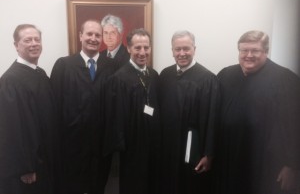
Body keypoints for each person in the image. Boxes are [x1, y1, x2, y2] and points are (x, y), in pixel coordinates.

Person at [215, 30, 300, 194]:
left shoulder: (287, 80)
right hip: (230, 159)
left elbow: (295, 127)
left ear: (266, 52)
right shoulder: (225, 75)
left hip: (267, 165)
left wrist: (292, 166)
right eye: (244, 50)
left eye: (255, 50)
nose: (248, 55)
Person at [50, 19, 115, 194]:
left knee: (98, 186)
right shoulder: (64, 65)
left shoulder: (112, 68)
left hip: (101, 146)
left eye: (97, 35)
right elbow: (54, 107)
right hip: (71, 145)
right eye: (89, 34)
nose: (93, 38)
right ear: (80, 36)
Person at [0, 24, 60, 194]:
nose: (34, 43)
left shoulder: (39, 73)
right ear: (16, 45)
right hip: (29, 168)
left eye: (37, 39)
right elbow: (12, 129)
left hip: (45, 159)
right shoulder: (11, 81)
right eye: (27, 40)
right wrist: (25, 167)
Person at [159, 30, 220, 194]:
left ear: (194, 49)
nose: (182, 53)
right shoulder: (165, 75)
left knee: (190, 186)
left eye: (186, 48)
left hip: (193, 145)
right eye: (177, 49)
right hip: (168, 145)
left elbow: (212, 119)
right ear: (172, 50)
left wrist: (208, 154)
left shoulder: (207, 79)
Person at [104, 28, 160, 194]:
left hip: (154, 145)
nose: (142, 52)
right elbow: (115, 118)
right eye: (137, 48)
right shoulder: (118, 79)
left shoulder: (154, 75)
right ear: (128, 48)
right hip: (132, 149)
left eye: (146, 47)